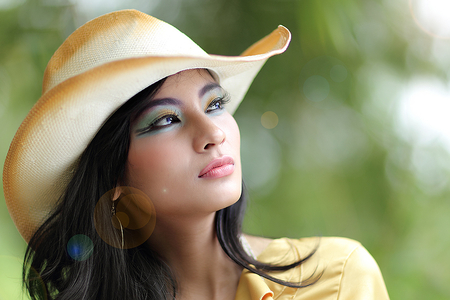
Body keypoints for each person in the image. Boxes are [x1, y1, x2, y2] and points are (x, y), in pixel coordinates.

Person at [3, 9, 389, 300]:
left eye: (215, 104)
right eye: (166, 119)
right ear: (114, 176)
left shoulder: (336, 280)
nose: (213, 133)